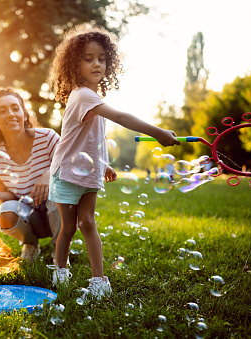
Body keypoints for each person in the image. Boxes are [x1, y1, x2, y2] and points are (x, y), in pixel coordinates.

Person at [47, 24, 180, 299]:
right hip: (67, 173)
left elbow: (91, 140)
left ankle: (99, 280)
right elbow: (121, 118)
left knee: (88, 223)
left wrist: (101, 163)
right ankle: (60, 270)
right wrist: (158, 133)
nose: (96, 63)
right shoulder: (83, 95)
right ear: (75, 64)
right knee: (69, 226)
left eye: (102, 58)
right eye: (88, 58)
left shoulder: (93, 97)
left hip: (87, 171)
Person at [0, 87, 62, 262]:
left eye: (15, 108)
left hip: (60, 213)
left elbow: (71, 165)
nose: (10, 114)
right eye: (2, 111)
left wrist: (48, 173)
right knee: (5, 212)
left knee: (58, 190)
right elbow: (11, 197)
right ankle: (31, 244)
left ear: (24, 113)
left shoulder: (48, 138)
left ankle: (60, 248)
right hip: (32, 217)